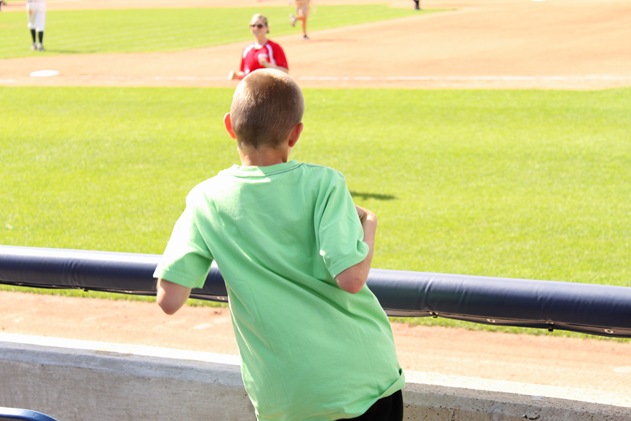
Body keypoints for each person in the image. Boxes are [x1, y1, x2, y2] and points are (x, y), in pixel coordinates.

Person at [154, 68, 405, 421]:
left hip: (286, 399)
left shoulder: (205, 199)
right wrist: (371, 224)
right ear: (295, 133)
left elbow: (169, 299)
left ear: (230, 126)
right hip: (365, 381)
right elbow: (351, 278)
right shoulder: (325, 184)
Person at [228, 14, 288, 81]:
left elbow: (285, 72)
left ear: (267, 28)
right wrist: (237, 76)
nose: (256, 28)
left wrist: (268, 65)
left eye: (259, 26)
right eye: (253, 26)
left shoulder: (274, 47)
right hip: (251, 87)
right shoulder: (247, 50)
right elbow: (245, 73)